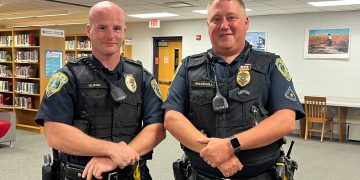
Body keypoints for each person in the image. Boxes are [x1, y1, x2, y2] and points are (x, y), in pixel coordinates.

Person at [163, 0, 305, 179]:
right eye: (216, 19)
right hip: (201, 174)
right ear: (208, 25)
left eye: (231, 17)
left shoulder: (270, 65)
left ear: (246, 23)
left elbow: (285, 120)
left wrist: (230, 146)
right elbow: (171, 118)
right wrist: (215, 155)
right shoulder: (188, 67)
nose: (224, 25)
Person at [36, 1, 165, 179]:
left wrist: (116, 158)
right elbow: (55, 134)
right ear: (89, 30)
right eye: (102, 27)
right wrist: (111, 150)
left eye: (117, 28)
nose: (110, 35)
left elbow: (157, 128)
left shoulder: (142, 77)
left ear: (124, 32)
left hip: (130, 173)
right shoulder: (68, 77)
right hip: (81, 175)